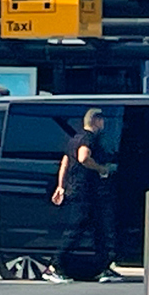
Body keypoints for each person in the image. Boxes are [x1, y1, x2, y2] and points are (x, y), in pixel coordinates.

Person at [50, 108, 122, 283]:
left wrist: (60, 186)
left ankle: (102, 267)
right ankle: (55, 266)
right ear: (96, 120)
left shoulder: (74, 138)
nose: (103, 124)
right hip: (86, 191)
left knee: (99, 230)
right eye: (102, 120)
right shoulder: (89, 138)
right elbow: (83, 158)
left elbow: (65, 163)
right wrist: (101, 168)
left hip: (78, 190)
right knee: (77, 230)